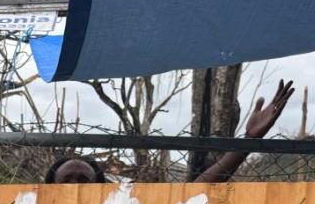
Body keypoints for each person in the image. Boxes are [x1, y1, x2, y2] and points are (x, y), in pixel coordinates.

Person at [45, 78, 296, 185]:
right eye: (66, 181)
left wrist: (248, 142)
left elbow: (196, 191)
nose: (75, 187)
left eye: (83, 181)